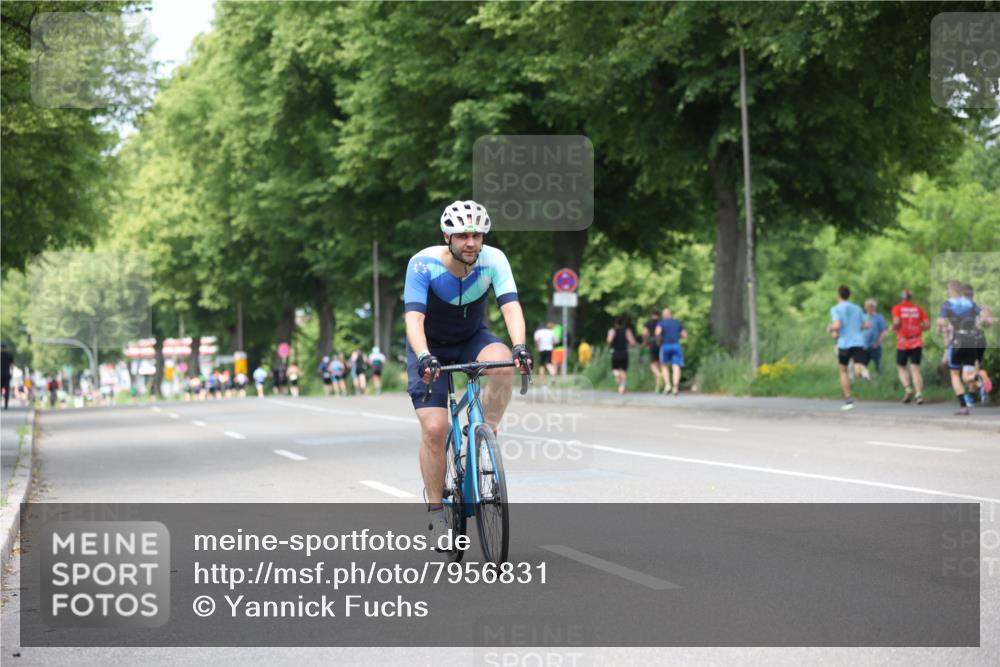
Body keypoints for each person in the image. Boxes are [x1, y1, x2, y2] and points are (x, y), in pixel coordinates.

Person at [404, 199, 531, 544]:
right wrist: (424, 356)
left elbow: (511, 307)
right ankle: (435, 511)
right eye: (462, 235)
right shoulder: (423, 264)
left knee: (503, 362)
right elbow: (414, 318)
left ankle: (485, 435)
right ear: (447, 236)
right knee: (435, 427)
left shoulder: (494, 260)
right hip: (428, 346)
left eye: (477, 235)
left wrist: (520, 346)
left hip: (472, 338)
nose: (471, 242)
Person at [938, 280, 982, 415]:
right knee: (967, 375)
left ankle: (963, 407)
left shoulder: (948, 304)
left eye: (948, 290)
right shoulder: (970, 303)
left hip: (958, 339)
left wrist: (942, 329)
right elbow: (982, 317)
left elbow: (940, 322)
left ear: (951, 290)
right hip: (972, 340)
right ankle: (977, 379)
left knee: (955, 374)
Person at [827, 284, 870, 411]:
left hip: (844, 343)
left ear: (838, 295)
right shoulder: (857, 308)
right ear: (849, 295)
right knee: (858, 366)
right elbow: (867, 325)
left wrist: (830, 328)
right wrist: (856, 329)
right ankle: (863, 371)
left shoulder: (836, 309)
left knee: (843, 370)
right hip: (858, 341)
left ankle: (848, 398)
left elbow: (837, 325)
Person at [891, 289, 930, 405]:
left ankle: (908, 389)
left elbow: (897, 322)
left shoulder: (897, 308)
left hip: (903, 343)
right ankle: (919, 394)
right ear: (910, 298)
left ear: (902, 298)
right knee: (915, 368)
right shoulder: (918, 309)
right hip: (916, 341)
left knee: (901, 367)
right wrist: (919, 328)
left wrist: (893, 327)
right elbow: (927, 325)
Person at [960, 283, 994, 405]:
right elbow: (990, 322)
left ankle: (980, 382)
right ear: (973, 294)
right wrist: (983, 320)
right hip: (980, 339)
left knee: (966, 375)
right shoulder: (979, 307)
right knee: (975, 368)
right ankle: (972, 396)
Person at [655, 308, 687, 396]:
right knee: (676, 366)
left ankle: (668, 385)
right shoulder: (677, 323)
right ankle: (675, 387)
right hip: (676, 345)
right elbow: (685, 335)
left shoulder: (661, 323)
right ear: (671, 314)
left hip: (665, 345)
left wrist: (658, 342)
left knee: (664, 365)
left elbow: (657, 333)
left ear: (664, 315)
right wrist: (678, 336)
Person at [607, 317, 637, 395]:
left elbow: (609, 341)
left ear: (615, 324)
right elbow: (633, 343)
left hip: (615, 353)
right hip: (624, 353)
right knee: (624, 371)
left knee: (614, 370)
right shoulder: (627, 331)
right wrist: (629, 345)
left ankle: (617, 375)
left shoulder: (612, 331)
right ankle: (622, 387)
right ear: (623, 324)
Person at [862, 298, 888, 373]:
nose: (870, 307)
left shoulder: (879, 317)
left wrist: (878, 343)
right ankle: (866, 382)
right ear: (865, 307)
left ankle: (879, 382)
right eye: (868, 306)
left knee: (878, 367)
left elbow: (884, 331)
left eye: (872, 306)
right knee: (863, 367)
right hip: (863, 347)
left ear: (875, 307)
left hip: (876, 346)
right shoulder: (862, 317)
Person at [642, 309, 662, 392]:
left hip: (652, 344)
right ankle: (658, 385)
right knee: (661, 365)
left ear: (652, 315)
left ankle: (659, 376)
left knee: (653, 364)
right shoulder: (661, 322)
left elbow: (644, 333)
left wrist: (645, 342)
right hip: (661, 344)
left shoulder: (648, 323)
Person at [1, 342, 13, 410]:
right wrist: (11, 373)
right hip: (6, 375)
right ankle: (6, 404)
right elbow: (12, 366)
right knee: (6, 390)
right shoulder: (9, 355)